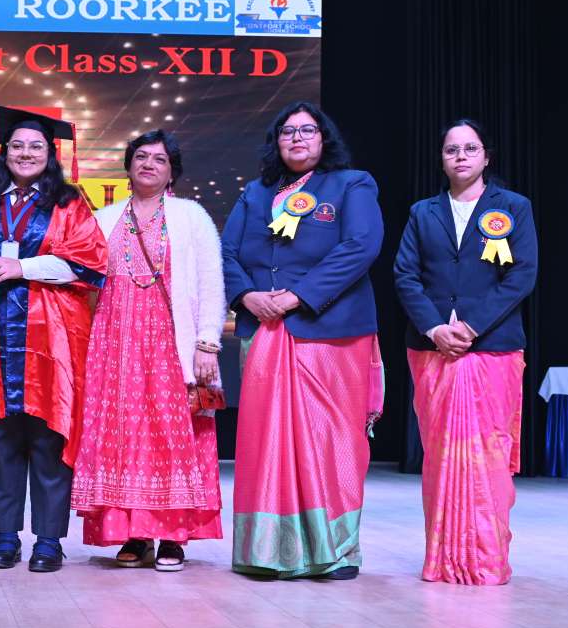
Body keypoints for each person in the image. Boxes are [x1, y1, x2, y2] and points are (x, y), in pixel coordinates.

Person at [222, 100, 383, 580]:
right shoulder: (255, 193)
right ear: (276, 142)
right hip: (265, 331)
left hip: (331, 332)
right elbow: (227, 252)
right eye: (287, 131)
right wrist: (248, 296)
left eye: (307, 130)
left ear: (323, 138)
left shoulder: (352, 184)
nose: (296, 138)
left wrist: (298, 296)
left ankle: (336, 552)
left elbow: (360, 246)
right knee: (265, 441)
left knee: (333, 440)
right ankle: (268, 552)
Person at [0, 106, 107, 572]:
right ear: (4, 152)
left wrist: (22, 267)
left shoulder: (69, 204)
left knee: (49, 437)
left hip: (52, 339)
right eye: (17, 146)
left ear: (50, 154)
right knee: (2, 439)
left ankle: (49, 540)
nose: (26, 153)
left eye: (36, 146)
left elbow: (89, 264)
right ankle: (5, 537)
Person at [71, 130, 226, 572]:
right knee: (122, 437)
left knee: (172, 435)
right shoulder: (104, 218)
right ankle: (135, 535)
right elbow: (81, 278)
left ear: (172, 170)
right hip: (115, 343)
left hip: (171, 343)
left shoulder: (191, 216)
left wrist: (207, 343)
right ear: (128, 165)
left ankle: (173, 537)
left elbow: (210, 281)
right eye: (141, 156)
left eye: (159, 159)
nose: (149, 164)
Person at [394, 118, 537, 585]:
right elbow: (406, 276)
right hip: (433, 349)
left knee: (489, 452)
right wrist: (435, 327)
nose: (460, 156)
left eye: (470, 148)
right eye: (451, 149)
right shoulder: (422, 213)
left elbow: (521, 276)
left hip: (492, 349)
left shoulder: (513, 207)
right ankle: (442, 558)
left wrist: (472, 326)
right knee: (441, 454)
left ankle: (486, 558)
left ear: (486, 157)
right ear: (442, 159)